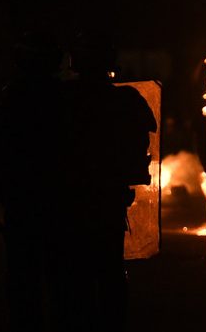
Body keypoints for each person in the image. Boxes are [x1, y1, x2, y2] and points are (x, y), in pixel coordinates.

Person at [43, 30, 156, 332]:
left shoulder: (59, 98)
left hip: (68, 200)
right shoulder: (124, 99)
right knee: (109, 272)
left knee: (72, 275)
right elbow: (147, 130)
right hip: (106, 198)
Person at [0, 30, 66, 332]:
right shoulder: (65, 100)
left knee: (24, 283)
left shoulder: (12, 100)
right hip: (58, 206)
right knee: (61, 284)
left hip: (24, 205)